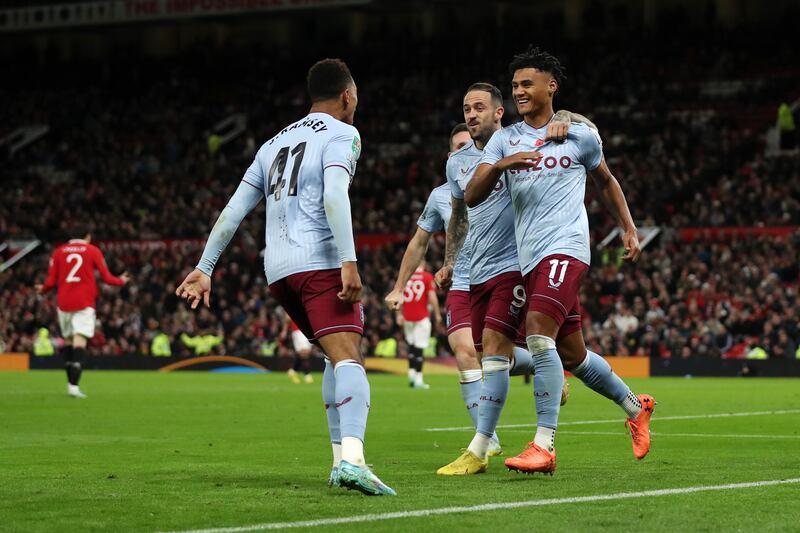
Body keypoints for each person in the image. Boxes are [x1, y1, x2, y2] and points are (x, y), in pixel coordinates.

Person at [175, 58, 395, 496]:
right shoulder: (343, 133)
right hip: (319, 260)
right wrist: (348, 260)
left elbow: (234, 209)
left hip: (277, 270)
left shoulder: (272, 143)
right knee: (350, 355)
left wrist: (204, 267)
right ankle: (353, 459)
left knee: (335, 357)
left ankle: (339, 462)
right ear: (347, 96)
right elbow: (334, 193)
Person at [466, 46, 655, 475]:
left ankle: (544, 444)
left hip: (566, 248)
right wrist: (502, 165)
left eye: (526, 84)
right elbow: (473, 195)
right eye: (514, 85)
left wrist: (628, 226)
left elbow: (606, 182)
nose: (519, 92)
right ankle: (635, 406)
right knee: (573, 354)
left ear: (550, 86)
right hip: (530, 258)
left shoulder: (578, 135)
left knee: (537, 335)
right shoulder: (505, 138)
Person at [436, 83, 586, 475]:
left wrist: (566, 118)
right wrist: (451, 260)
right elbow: (460, 211)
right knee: (499, 357)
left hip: (516, 265)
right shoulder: (461, 162)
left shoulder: (519, 138)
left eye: (479, 107)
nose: (471, 114)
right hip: (476, 271)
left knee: (510, 348)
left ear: (498, 112)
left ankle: (487, 447)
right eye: (466, 108)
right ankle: (629, 404)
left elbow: (585, 135)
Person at [385, 124, 501, 457]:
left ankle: (544, 365)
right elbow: (419, 240)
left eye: (472, 143)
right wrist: (398, 286)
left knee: (496, 356)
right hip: (462, 281)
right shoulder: (440, 197)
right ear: (452, 155)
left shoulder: (502, 177)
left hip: (502, 276)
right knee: (464, 350)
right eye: (461, 146)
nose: (469, 150)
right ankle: (486, 437)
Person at [38, 225, 130, 398]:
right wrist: (121, 281)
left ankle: (70, 384)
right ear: (87, 236)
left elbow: (51, 281)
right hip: (84, 302)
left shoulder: (59, 251)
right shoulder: (92, 250)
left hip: (64, 302)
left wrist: (42, 289)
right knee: (79, 343)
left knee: (68, 342)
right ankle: (74, 386)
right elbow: (106, 277)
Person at [396, 261, 440, 389]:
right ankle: (418, 380)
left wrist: (399, 314)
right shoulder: (426, 277)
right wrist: (437, 314)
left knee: (412, 346)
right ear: (424, 264)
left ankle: (411, 375)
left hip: (407, 317)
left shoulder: (405, 276)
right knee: (419, 348)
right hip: (421, 317)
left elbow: (398, 295)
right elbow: (432, 296)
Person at [280, 312, 314, 384]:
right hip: (298, 330)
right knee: (304, 352)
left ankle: (292, 371)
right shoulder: (294, 301)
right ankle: (307, 374)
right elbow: (288, 318)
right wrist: (284, 330)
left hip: (308, 330)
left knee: (302, 353)